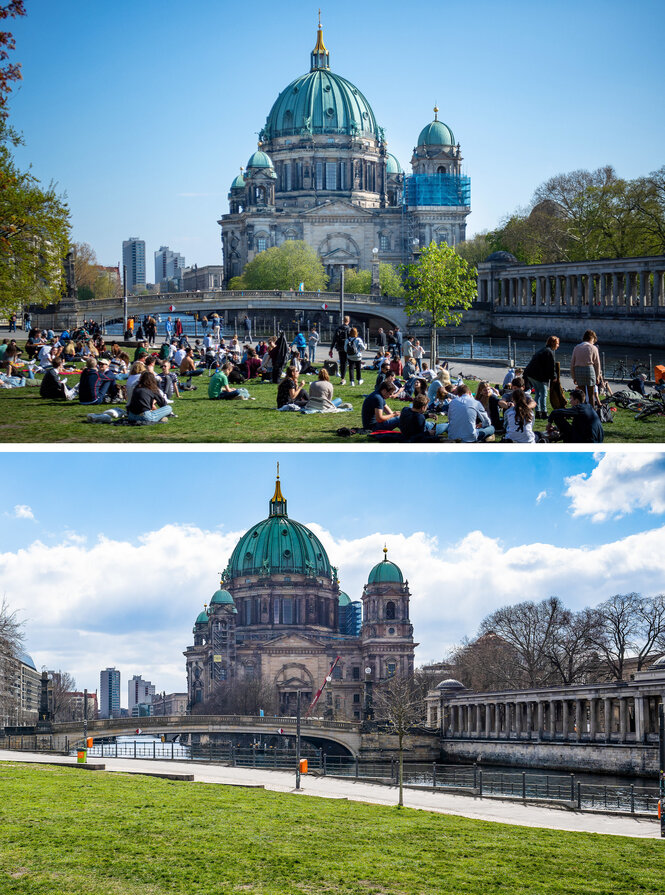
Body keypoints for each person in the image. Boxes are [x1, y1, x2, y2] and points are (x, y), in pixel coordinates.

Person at [524, 336, 560, 419]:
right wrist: (554, 377)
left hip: (531, 374)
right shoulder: (549, 352)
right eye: (557, 343)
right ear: (553, 343)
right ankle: (544, 412)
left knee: (537, 393)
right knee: (543, 393)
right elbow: (551, 367)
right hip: (539, 376)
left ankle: (538, 411)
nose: (558, 345)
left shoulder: (543, 350)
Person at [571, 330, 601, 404]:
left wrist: (573, 376)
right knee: (591, 395)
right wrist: (597, 376)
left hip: (578, 370)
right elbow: (597, 364)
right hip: (589, 370)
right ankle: (592, 411)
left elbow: (572, 363)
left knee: (582, 394)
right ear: (592, 338)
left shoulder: (576, 347)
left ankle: (582, 410)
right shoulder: (593, 348)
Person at [330, 316, 351, 384]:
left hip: (340, 347)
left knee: (342, 363)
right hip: (347, 348)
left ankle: (343, 378)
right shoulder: (349, 329)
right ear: (348, 321)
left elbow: (334, 339)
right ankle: (351, 379)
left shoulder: (338, 328)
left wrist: (331, 348)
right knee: (349, 363)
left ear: (343, 320)